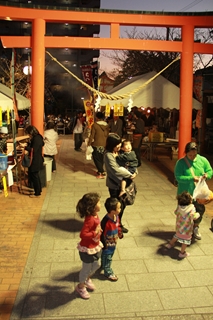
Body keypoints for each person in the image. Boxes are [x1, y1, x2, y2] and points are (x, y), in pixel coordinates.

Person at [174, 141, 213, 240]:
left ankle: (195, 227)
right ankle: (183, 231)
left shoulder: (202, 160)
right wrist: (191, 178)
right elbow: (178, 177)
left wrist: (207, 175)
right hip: (185, 195)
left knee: (199, 211)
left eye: (194, 154)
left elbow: (209, 170)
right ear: (186, 153)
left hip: (199, 194)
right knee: (184, 214)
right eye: (190, 154)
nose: (192, 156)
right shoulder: (181, 163)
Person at [104, 133, 137, 233]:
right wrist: (130, 175)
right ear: (111, 144)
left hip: (124, 184)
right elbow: (116, 170)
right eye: (117, 144)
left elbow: (132, 163)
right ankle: (112, 225)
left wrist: (135, 172)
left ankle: (118, 224)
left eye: (119, 144)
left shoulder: (119, 152)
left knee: (122, 206)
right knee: (115, 207)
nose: (119, 146)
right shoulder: (108, 155)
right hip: (114, 185)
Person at [75, 192, 103, 299]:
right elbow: (83, 234)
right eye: (99, 203)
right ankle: (80, 286)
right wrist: (95, 233)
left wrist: (98, 230)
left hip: (95, 246)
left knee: (96, 265)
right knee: (86, 268)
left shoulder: (95, 215)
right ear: (93, 207)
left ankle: (87, 279)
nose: (100, 204)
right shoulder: (89, 220)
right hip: (87, 249)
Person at [165, 191, 200, 258]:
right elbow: (194, 216)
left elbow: (175, 212)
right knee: (185, 241)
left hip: (179, 227)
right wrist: (198, 214)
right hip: (187, 229)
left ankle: (170, 244)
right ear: (190, 201)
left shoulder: (179, 207)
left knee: (176, 236)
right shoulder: (192, 208)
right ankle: (182, 253)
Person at [101, 197, 123, 281]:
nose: (120, 209)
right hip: (106, 245)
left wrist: (120, 233)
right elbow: (101, 234)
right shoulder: (105, 221)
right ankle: (108, 272)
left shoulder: (116, 217)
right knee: (108, 258)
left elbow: (118, 225)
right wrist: (104, 245)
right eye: (119, 208)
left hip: (113, 243)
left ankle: (103, 264)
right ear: (112, 211)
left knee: (108, 256)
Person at [24, 125, 44, 198]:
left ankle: (37, 193)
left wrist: (25, 147)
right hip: (38, 159)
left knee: (34, 176)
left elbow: (33, 149)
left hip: (35, 160)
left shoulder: (36, 139)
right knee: (36, 176)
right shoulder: (39, 137)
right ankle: (38, 190)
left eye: (28, 133)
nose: (28, 135)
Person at [88, 111, 109, 179]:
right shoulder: (106, 125)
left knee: (96, 158)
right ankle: (100, 170)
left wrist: (89, 143)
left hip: (96, 144)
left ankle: (101, 172)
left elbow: (92, 135)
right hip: (104, 144)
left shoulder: (95, 125)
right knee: (101, 158)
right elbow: (107, 135)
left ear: (97, 117)